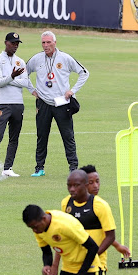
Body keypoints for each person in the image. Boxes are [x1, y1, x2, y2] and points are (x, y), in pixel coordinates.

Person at [25, 31, 89, 177]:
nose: (46, 45)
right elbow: (24, 73)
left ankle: (73, 167)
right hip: (43, 103)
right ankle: (39, 168)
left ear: (55, 42)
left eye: (48, 42)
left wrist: (72, 91)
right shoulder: (36, 59)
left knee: (67, 136)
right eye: (43, 43)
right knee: (42, 136)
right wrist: (32, 90)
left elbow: (84, 72)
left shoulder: (65, 58)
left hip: (62, 103)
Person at [0, 32, 37, 179]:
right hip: (3, 104)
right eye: (12, 43)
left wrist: (8, 79)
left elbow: (25, 82)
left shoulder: (20, 61)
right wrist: (12, 77)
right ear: (6, 43)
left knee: (14, 137)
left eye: (17, 44)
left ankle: (8, 167)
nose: (15, 46)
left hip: (18, 104)